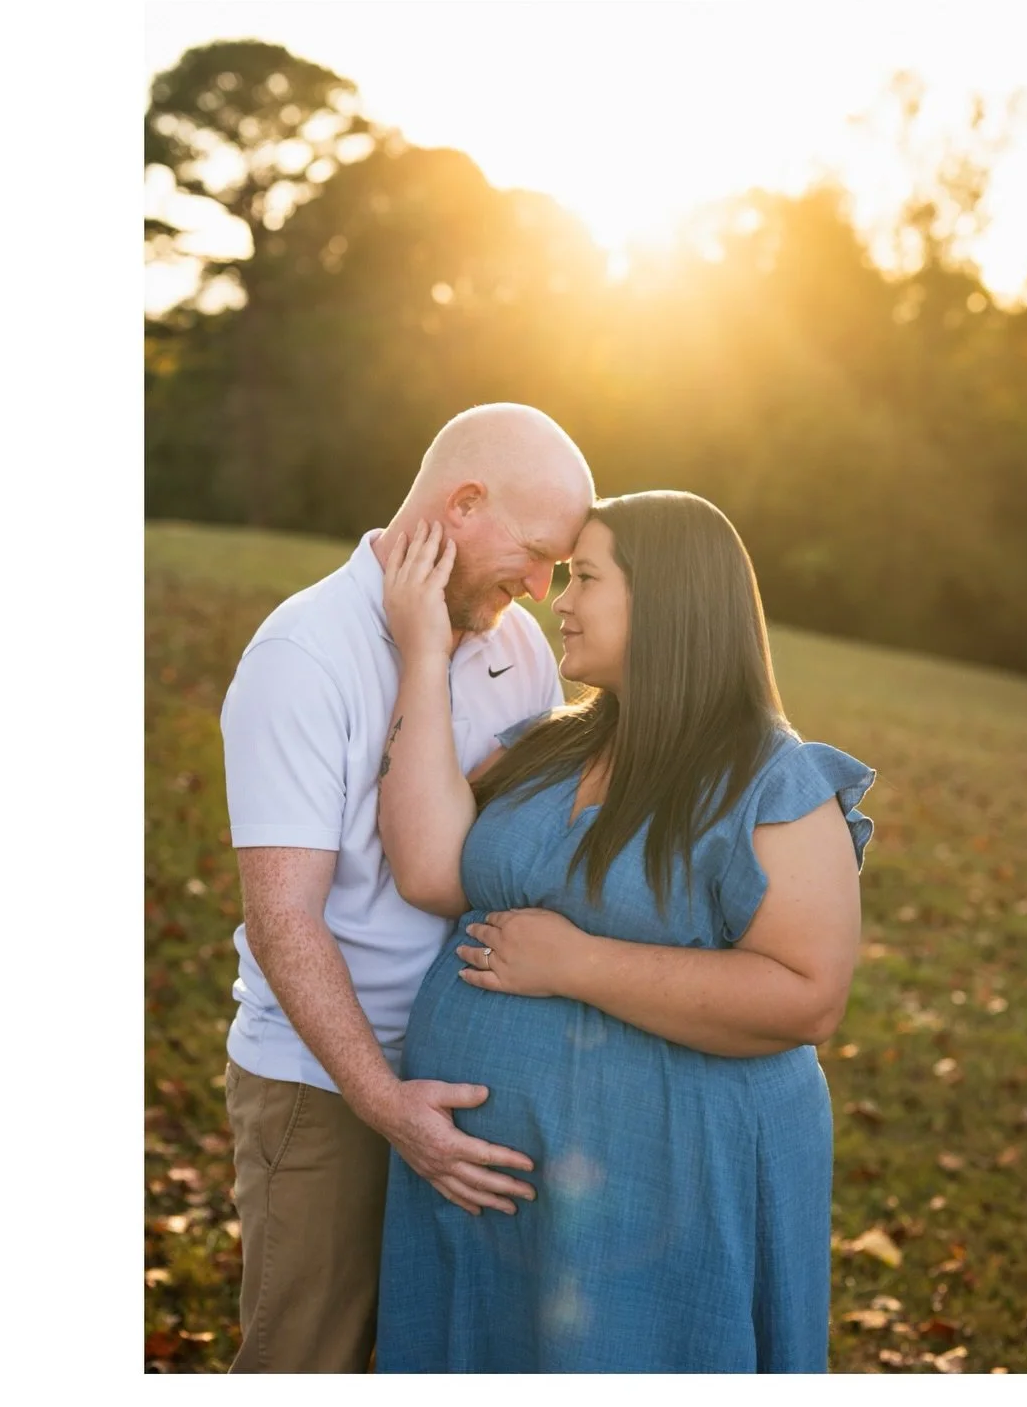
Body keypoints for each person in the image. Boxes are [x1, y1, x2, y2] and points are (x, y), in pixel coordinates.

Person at [373, 490, 875, 1373]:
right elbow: (427, 868)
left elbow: (809, 996)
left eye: (586, 578)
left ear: (669, 601)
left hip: (666, 1194)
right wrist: (424, 655)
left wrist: (579, 964)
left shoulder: (773, 782)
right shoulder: (551, 746)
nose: (559, 600)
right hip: (496, 1192)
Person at [217, 403, 594, 1373]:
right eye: (537, 552)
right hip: (331, 1086)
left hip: (475, 1078)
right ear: (464, 503)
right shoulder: (305, 654)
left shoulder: (520, 649)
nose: (544, 587)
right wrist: (385, 1102)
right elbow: (283, 916)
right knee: (310, 1360)